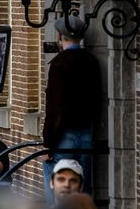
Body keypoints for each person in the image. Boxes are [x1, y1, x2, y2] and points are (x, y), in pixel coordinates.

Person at [42, 15, 100, 199]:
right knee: (82, 186)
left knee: (57, 183)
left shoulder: (59, 64)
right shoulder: (92, 61)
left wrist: (48, 144)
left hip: (63, 134)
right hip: (87, 133)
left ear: (59, 35)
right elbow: (98, 100)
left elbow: (54, 108)